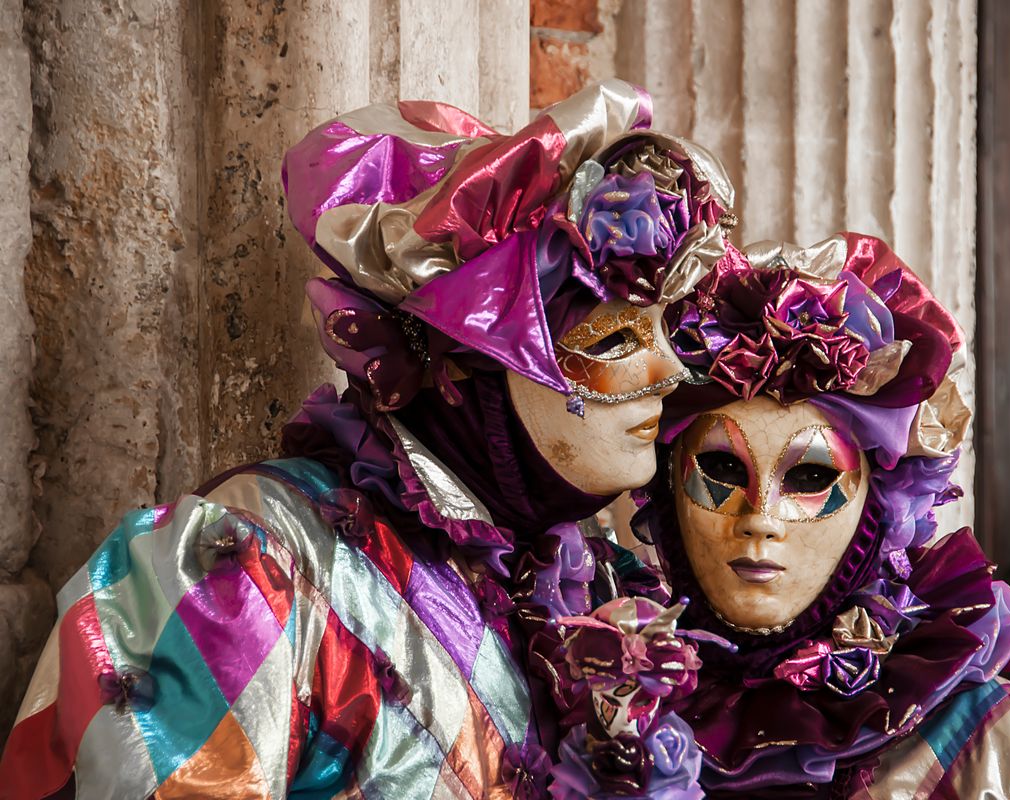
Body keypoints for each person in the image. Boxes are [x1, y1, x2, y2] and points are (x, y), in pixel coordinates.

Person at [0, 80, 735, 799]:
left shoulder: (585, 582)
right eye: (612, 339)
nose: (669, 371)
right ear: (465, 365)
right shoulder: (253, 567)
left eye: (665, 331)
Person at [538, 233, 1010, 798]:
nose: (760, 519)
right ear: (667, 491)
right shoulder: (594, 698)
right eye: (722, 469)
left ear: (879, 505)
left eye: (812, 477)